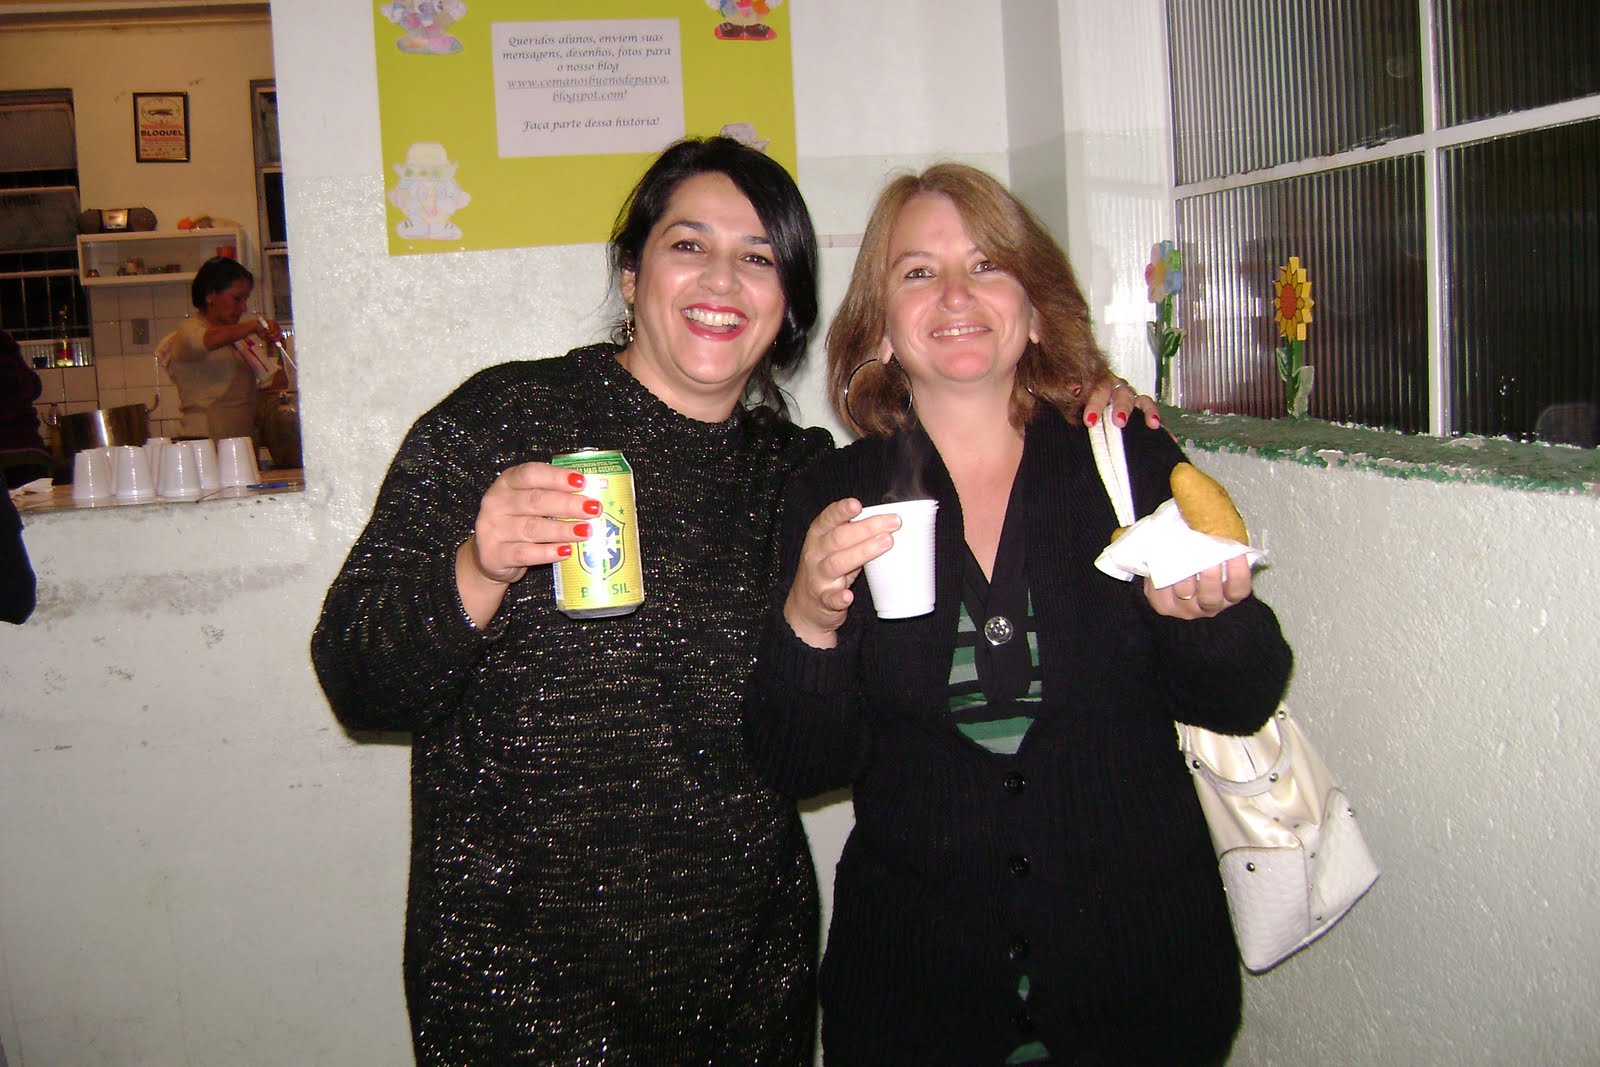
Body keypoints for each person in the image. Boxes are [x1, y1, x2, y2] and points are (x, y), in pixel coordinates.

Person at [311, 137, 1156, 1064]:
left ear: (786, 305)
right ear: (631, 274)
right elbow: (359, 680)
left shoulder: (803, 478)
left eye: (758, 257)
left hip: (747, 995)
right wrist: (477, 567)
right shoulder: (504, 419)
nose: (722, 280)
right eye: (688, 245)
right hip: (521, 995)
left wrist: (1084, 395)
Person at [742, 163, 1294, 1065]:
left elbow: (1244, 694)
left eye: (987, 265)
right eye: (919, 271)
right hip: (916, 1000)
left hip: (1142, 988)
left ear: (1034, 311)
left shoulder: (1125, 458)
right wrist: (809, 618)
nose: (956, 294)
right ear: (880, 327)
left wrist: (1207, 616)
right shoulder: (830, 495)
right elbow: (802, 764)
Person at [155, 256, 286, 442]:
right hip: (203, 443)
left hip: (240, 443)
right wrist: (254, 325)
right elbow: (209, 339)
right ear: (210, 295)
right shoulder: (188, 331)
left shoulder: (239, 342)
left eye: (246, 299)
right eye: (237, 298)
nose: (243, 307)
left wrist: (279, 349)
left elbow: (274, 388)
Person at [0, 329, 52, 489]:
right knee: (39, 504)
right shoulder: (23, 373)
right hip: (34, 455)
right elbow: (36, 389)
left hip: (3, 457)